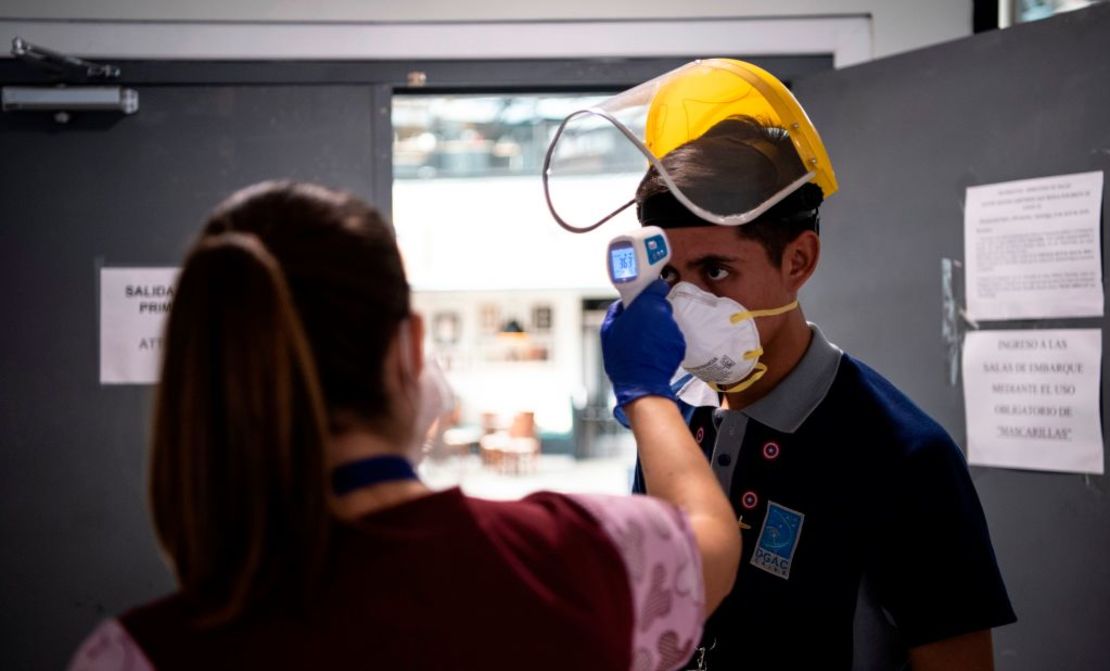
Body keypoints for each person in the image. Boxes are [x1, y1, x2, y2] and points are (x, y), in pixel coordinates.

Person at [67, 181, 740, 671]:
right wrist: (647, 391)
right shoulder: (588, 559)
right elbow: (711, 540)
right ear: (410, 350)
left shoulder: (131, 655)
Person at [624, 75, 1017, 667]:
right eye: (671, 277)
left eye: (716, 272)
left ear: (799, 260)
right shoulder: (670, 419)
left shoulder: (904, 456)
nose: (685, 305)